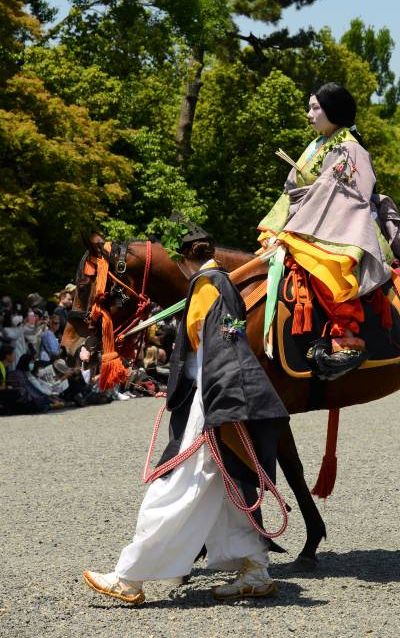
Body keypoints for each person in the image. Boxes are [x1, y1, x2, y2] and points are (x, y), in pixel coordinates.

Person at [83, 256, 289, 605]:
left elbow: (224, 345)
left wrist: (217, 400)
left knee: (178, 484)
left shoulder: (210, 285)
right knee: (226, 485)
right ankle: (255, 569)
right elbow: (231, 335)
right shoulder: (224, 285)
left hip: (211, 401)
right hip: (214, 395)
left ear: (181, 260)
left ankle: (129, 577)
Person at [258, 82, 400, 375]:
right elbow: (291, 190)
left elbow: (338, 194)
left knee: (326, 266)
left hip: (343, 224)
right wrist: (276, 228)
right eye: (310, 108)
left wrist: (295, 227)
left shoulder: (349, 148)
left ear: (334, 111)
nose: (309, 115)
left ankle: (346, 338)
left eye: (315, 108)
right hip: (307, 219)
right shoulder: (316, 146)